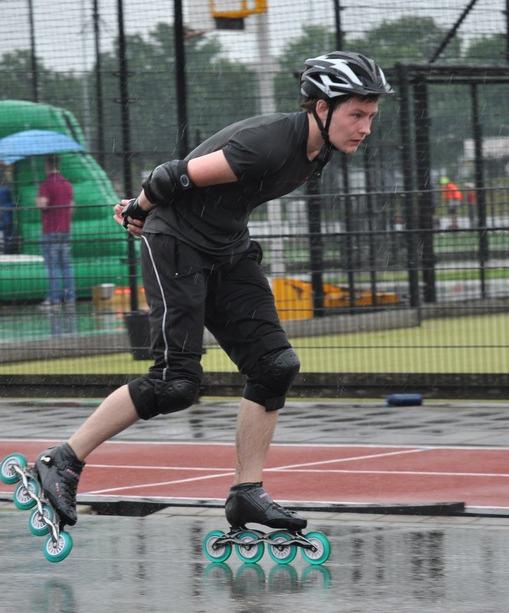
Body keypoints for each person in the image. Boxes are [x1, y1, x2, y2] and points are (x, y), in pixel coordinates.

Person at [30, 52, 392, 533]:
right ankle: (62, 459)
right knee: (174, 384)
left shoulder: (321, 148)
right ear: (321, 108)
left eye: (371, 116)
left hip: (228, 250)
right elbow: (171, 175)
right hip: (177, 245)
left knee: (275, 366)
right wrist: (137, 211)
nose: (365, 127)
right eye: (357, 114)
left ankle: (247, 494)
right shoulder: (267, 144)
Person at [36, 154, 74, 309]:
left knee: (52, 266)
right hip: (65, 229)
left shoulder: (46, 184)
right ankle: (70, 298)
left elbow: (43, 205)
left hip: (50, 229)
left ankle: (54, 299)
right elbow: (71, 208)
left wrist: (38, 201)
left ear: (46, 166)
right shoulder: (67, 184)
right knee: (66, 265)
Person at [0, 169, 20, 255]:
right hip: (15, 238)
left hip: (9, 240)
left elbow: (7, 224)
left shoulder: (5, 208)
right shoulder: (12, 205)